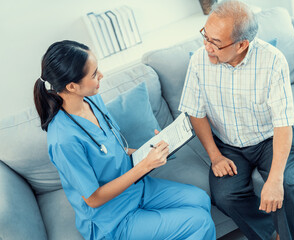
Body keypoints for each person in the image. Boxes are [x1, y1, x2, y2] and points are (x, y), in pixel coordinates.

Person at [33, 40, 216, 240]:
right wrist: (144, 166)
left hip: (136, 188)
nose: (101, 75)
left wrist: (150, 149)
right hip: (112, 218)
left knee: (200, 199)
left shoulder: (92, 100)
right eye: (94, 74)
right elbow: (93, 199)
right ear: (72, 86)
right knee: (200, 222)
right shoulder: (63, 140)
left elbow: (114, 148)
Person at [178, 1, 294, 240]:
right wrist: (215, 156)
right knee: (225, 197)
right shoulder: (199, 60)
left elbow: (283, 123)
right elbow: (196, 112)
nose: (207, 47)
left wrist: (275, 180)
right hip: (228, 144)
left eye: (215, 42)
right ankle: (269, 235)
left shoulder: (273, 61)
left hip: (269, 139)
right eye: (205, 35)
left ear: (242, 45)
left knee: (285, 189)